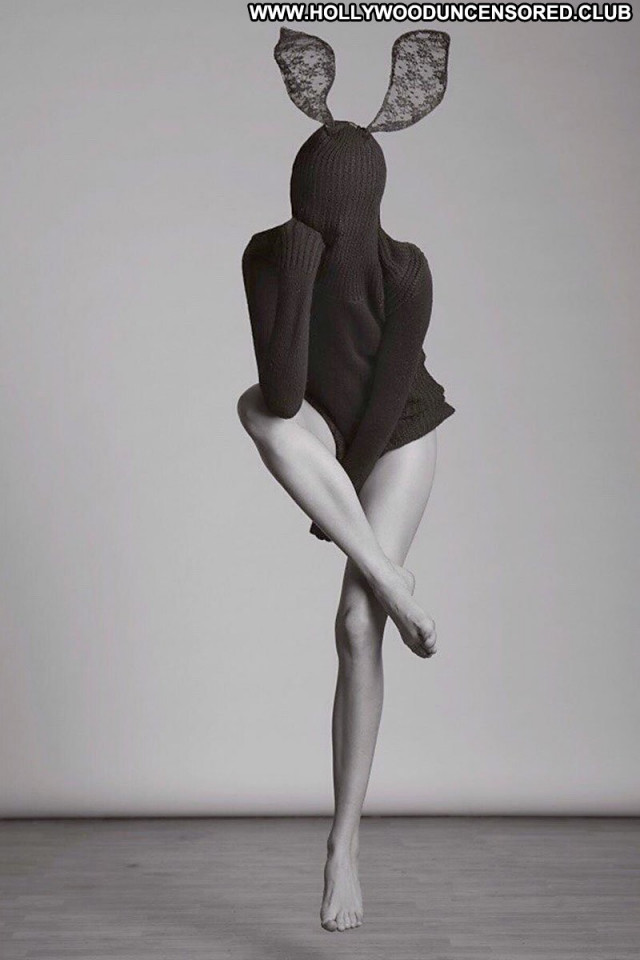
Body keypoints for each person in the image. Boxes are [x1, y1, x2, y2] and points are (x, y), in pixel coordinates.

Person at [237, 26, 456, 933]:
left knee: (356, 622)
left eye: (341, 219)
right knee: (255, 408)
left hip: (396, 435)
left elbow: (388, 397)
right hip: (323, 428)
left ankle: (344, 845)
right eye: (312, 215)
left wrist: (341, 523)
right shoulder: (266, 254)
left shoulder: (407, 271)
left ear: (371, 208)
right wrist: (298, 267)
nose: (329, 232)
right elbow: (287, 392)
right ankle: (397, 586)